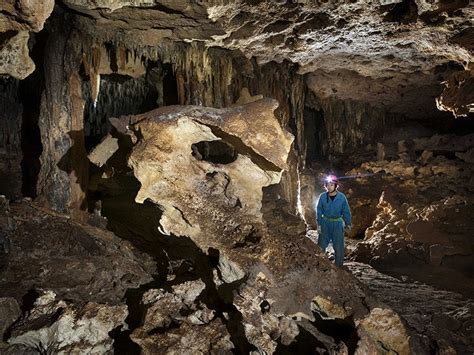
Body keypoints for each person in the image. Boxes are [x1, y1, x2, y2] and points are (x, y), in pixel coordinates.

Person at [316, 175, 352, 267]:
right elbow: (319, 211)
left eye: (331, 185)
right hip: (325, 222)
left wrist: (348, 224)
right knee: (321, 245)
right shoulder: (323, 197)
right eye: (327, 185)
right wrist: (319, 224)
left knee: (338, 246)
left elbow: (346, 211)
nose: (329, 187)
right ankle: (321, 265)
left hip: (337, 223)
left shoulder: (341, 197)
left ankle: (338, 266)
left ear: (335, 186)